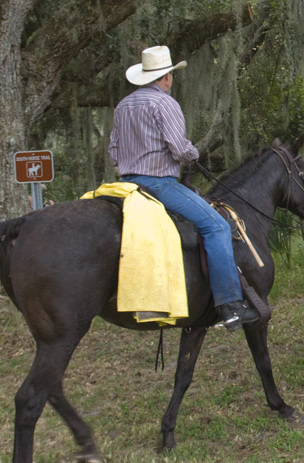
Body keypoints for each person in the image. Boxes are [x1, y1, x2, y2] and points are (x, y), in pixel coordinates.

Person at [108, 45, 259, 331]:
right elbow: (179, 148)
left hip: (126, 186)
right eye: (171, 76)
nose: (171, 81)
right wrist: (194, 154)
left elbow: (113, 150)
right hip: (159, 185)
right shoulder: (165, 103)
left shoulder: (123, 106)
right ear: (166, 77)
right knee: (216, 226)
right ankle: (230, 306)